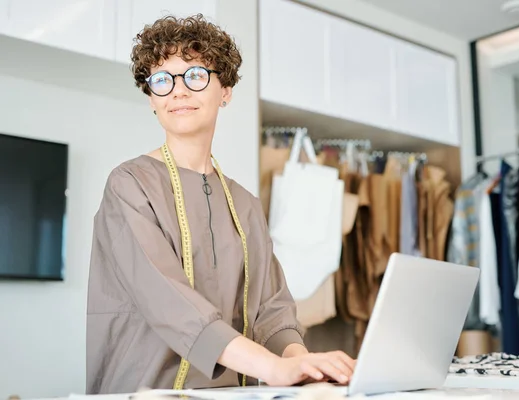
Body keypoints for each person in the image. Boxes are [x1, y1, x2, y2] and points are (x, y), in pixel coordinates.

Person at [86, 14, 355, 394]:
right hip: (146, 391)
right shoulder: (128, 186)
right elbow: (169, 302)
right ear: (151, 98)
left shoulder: (245, 204)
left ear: (225, 90)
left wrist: (299, 361)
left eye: (195, 75)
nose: (177, 91)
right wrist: (273, 369)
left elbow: (272, 309)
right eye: (162, 80)